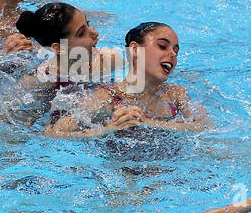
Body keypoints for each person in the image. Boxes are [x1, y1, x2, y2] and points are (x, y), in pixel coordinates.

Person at [0, 2, 124, 127]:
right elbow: (8, 108)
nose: (95, 33)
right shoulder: (40, 79)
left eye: (88, 24)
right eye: (81, 33)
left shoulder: (108, 59)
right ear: (59, 48)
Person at [46, 22, 206, 137]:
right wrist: (109, 128)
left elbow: (206, 127)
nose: (172, 54)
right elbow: (56, 132)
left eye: (176, 51)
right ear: (135, 49)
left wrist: (149, 122)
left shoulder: (174, 94)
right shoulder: (108, 97)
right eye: (163, 46)